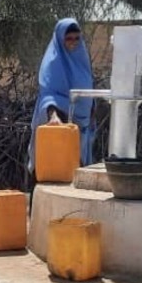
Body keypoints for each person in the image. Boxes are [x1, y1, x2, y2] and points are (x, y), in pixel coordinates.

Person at [26, 18, 96, 174]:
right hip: (61, 123)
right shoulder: (52, 62)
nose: (73, 42)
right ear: (60, 38)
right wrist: (53, 116)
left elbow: (88, 88)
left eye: (77, 38)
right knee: (61, 173)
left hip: (82, 127)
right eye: (69, 38)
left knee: (80, 174)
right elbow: (48, 94)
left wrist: (91, 112)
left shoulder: (81, 58)